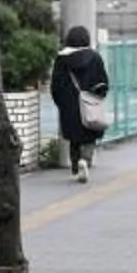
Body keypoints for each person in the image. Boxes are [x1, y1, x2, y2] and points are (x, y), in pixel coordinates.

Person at [50, 24, 111, 182]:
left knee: (74, 138)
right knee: (90, 134)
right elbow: (103, 82)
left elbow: (55, 85)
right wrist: (99, 96)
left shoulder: (61, 59)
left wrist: (61, 103)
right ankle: (86, 160)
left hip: (69, 104)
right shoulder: (95, 57)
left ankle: (76, 167)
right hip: (90, 103)